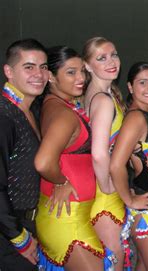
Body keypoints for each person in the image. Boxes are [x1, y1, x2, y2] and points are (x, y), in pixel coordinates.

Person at [34, 45, 115, 270]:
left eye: (82, 71)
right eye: (71, 72)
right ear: (50, 77)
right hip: (67, 220)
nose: (80, 78)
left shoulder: (57, 105)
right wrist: (62, 181)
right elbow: (42, 162)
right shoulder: (64, 115)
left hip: (72, 216)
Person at [109, 62, 148, 270]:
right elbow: (116, 164)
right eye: (142, 82)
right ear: (130, 87)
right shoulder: (136, 118)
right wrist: (129, 200)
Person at [0, 38, 48, 271]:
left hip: (27, 223)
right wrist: (18, 237)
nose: (39, 74)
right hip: (9, 233)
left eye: (44, 67)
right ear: (9, 71)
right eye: (29, 67)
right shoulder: (4, 116)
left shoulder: (33, 110)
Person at [83, 37, 127, 270]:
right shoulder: (103, 100)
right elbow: (99, 154)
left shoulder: (93, 94)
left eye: (114, 55)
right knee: (114, 257)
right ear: (87, 65)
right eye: (101, 58)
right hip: (104, 192)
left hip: (98, 184)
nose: (112, 62)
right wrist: (109, 185)